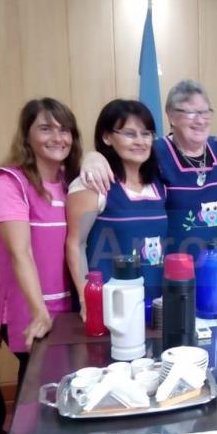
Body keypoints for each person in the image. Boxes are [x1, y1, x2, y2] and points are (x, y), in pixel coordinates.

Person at [79, 80, 217, 301]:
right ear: (171, 116)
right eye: (190, 112)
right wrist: (93, 157)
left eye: (205, 112)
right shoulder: (154, 154)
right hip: (178, 277)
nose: (200, 120)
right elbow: (120, 158)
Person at [0, 98, 81, 384]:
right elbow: (20, 253)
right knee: (37, 391)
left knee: (67, 384)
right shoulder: (8, 184)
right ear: (27, 135)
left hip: (68, 307)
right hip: (30, 308)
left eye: (65, 130)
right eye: (46, 129)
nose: (58, 138)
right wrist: (40, 313)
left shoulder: (70, 183)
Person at [66, 99, 167, 321]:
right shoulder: (92, 184)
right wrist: (86, 299)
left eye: (146, 134)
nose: (140, 141)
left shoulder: (159, 183)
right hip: (110, 307)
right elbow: (76, 244)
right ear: (107, 137)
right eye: (129, 134)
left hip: (154, 304)